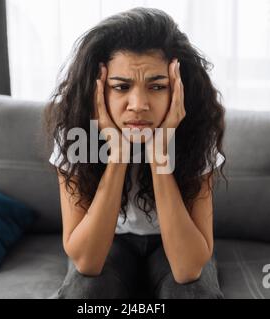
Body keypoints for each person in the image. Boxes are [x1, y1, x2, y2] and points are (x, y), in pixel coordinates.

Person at [45, 7, 227, 299]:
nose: (139, 104)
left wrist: (160, 153)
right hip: (109, 241)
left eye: (157, 86)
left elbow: (187, 269)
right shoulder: (75, 135)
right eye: (121, 87)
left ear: (179, 89)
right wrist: (117, 157)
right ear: (98, 90)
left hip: (174, 242)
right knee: (84, 294)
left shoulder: (197, 133)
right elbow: (88, 262)